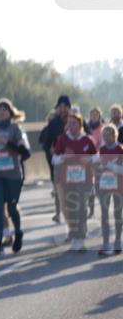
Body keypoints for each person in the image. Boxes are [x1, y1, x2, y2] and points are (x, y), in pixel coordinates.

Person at [0, 98, 31, 256]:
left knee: (12, 207)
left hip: (13, 174)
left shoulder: (16, 129)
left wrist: (8, 143)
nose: (1, 111)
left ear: (10, 112)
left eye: (4, 109)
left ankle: (18, 232)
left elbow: (26, 153)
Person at [53, 108, 99, 252]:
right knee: (71, 207)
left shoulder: (87, 140)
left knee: (81, 206)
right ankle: (75, 234)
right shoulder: (62, 139)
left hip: (85, 179)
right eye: (69, 123)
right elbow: (54, 159)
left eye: (74, 123)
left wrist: (90, 159)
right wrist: (62, 158)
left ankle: (80, 237)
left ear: (80, 125)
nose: (71, 126)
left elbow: (97, 157)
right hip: (67, 179)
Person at [39, 95, 70, 223]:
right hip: (58, 163)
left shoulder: (77, 120)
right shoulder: (53, 123)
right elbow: (46, 144)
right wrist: (53, 153)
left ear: (69, 107)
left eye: (65, 106)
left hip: (75, 163)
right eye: (60, 106)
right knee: (59, 189)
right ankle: (59, 213)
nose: (62, 109)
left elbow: (88, 137)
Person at [95, 123, 123, 255]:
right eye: (103, 135)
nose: (105, 137)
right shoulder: (102, 150)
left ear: (114, 135)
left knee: (118, 214)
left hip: (118, 185)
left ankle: (118, 241)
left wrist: (111, 166)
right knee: (104, 214)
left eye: (108, 134)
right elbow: (99, 167)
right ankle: (106, 242)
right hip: (105, 185)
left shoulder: (120, 149)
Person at [85, 107, 105, 219]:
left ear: (99, 115)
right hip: (87, 161)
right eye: (92, 114)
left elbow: (102, 145)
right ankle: (91, 209)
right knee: (89, 186)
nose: (94, 116)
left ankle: (103, 208)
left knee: (98, 186)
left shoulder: (103, 128)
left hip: (97, 160)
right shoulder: (85, 127)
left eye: (96, 114)